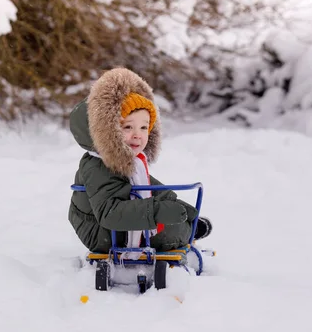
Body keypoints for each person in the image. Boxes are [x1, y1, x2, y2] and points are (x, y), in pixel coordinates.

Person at [68, 67, 212, 253]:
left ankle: (188, 227)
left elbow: (146, 187)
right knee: (173, 231)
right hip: (101, 232)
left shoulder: (126, 160)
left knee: (175, 220)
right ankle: (187, 232)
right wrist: (159, 211)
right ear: (104, 131)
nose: (138, 135)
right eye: (128, 127)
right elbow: (109, 212)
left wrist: (175, 203)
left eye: (144, 127)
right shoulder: (98, 166)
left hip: (112, 226)